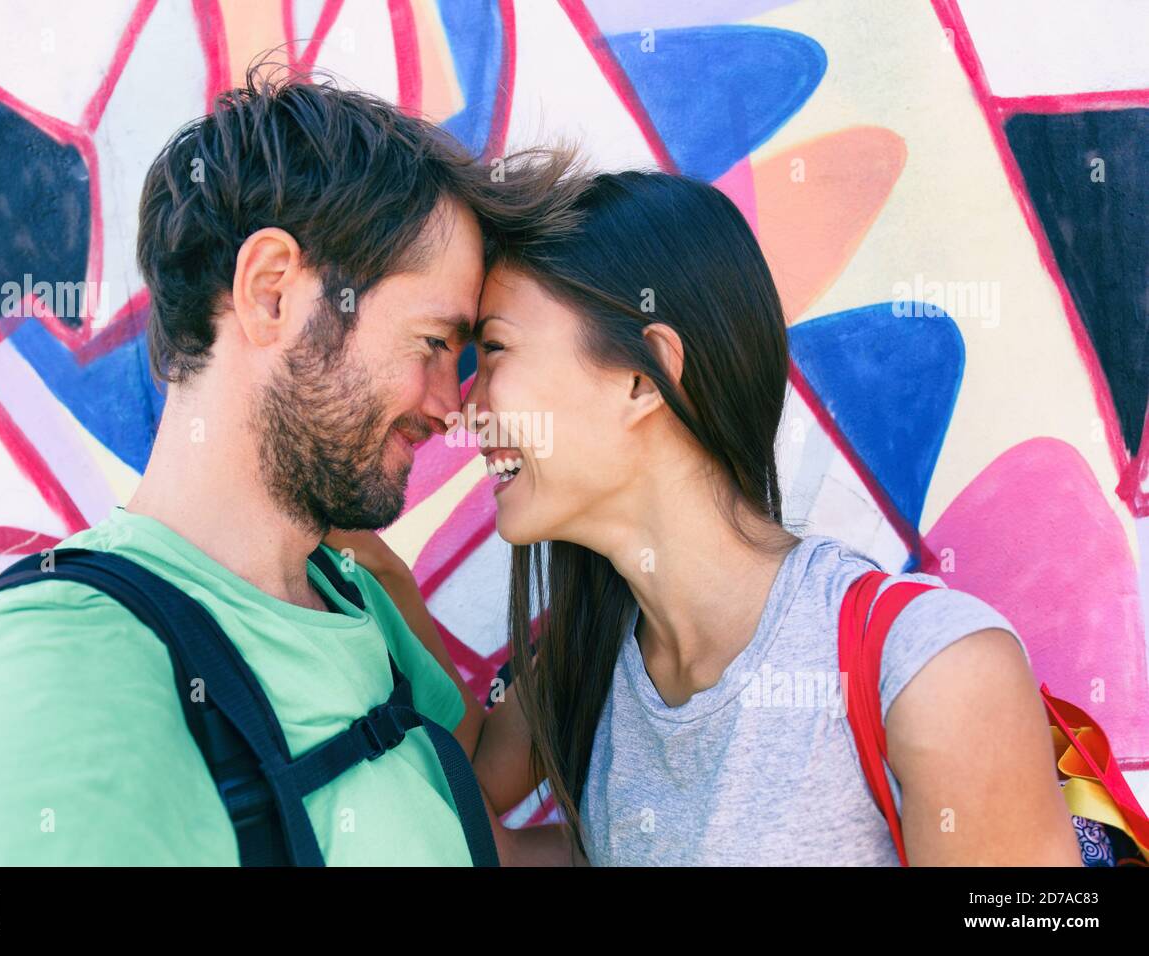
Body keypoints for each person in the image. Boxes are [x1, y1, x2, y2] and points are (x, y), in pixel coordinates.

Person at [0, 63, 577, 865]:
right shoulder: (54, 660)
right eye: (434, 344)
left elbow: (462, 801)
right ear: (269, 293)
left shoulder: (348, 588)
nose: (451, 404)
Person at [351, 170, 1082, 866]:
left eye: (498, 352)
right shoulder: (590, 655)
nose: (463, 413)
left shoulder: (935, 670)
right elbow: (479, 791)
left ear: (646, 378)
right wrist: (372, 565)